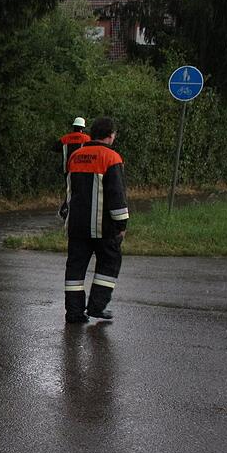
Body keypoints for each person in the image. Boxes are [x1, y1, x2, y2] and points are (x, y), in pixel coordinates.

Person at [62, 116, 129, 324]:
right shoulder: (112, 158)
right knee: (109, 263)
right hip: (103, 228)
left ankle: (74, 313)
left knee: (75, 268)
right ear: (111, 136)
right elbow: (116, 194)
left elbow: (69, 190)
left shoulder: (76, 156)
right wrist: (121, 224)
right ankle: (97, 307)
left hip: (76, 225)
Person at [55, 117, 88, 219]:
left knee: (69, 190)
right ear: (82, 128)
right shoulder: (86, 139)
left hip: (67, 169)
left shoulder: (65, 139)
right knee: (80, 190)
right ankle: (69, 211)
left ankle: (65, 210)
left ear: (74, 126)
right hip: (81, 170)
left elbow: (55, 147)